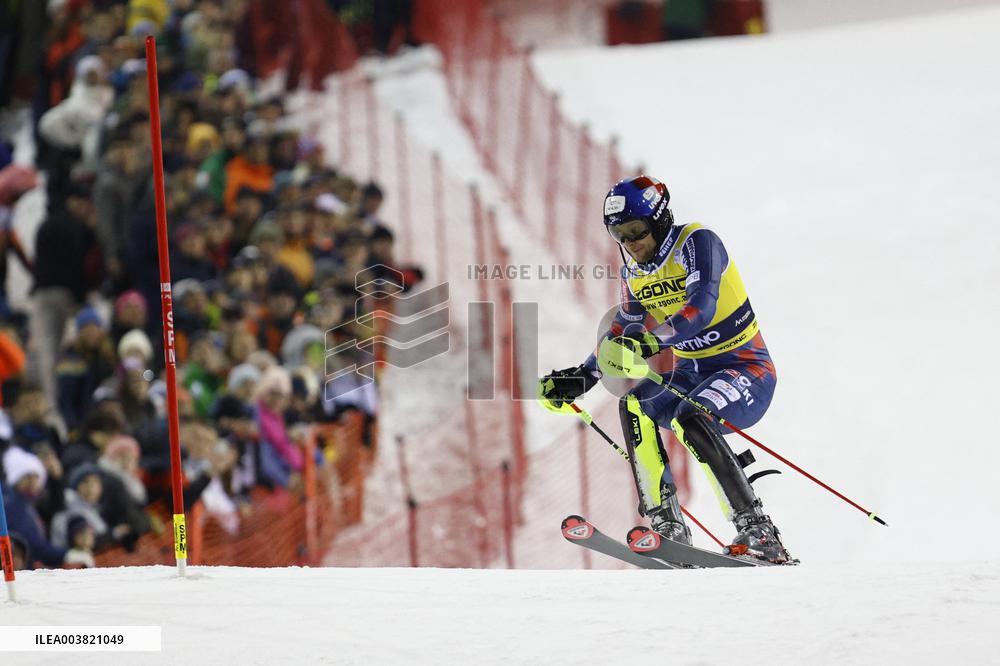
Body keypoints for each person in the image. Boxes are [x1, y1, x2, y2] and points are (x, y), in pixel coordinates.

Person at [537, 176, 790, 564]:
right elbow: (624, 328)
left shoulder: (697, 243)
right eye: (619, 234)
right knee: (634, 405)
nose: (631, 242)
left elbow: (700, 306)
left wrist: (654, 341)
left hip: (745, 370)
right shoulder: (633, 273)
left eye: (637, 230)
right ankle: (667, 523)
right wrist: (583, 376)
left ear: (659, 221)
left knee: (691, 416)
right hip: (694, 373)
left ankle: (758, 530)